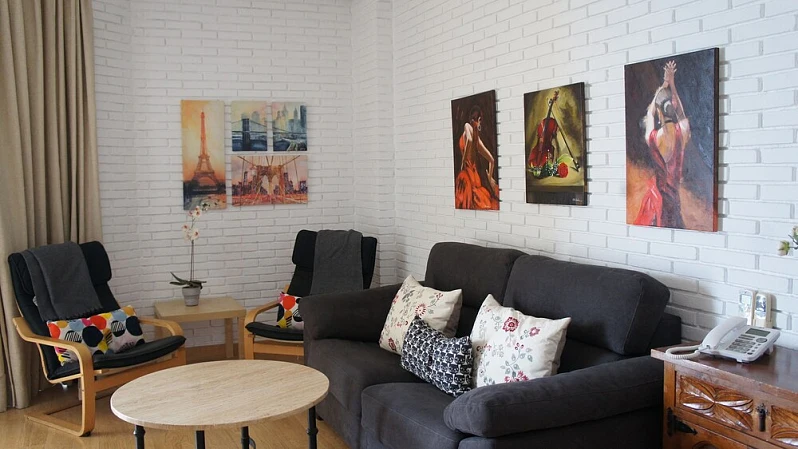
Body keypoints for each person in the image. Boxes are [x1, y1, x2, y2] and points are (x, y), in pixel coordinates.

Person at [634, 60, 692, 228]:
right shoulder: (682, 132)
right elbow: (681, 113)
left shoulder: (652, 138)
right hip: (672, 203)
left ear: (660, 114)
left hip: (654, 201)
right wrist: (672, 84)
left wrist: (663, 86)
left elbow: (650, 113)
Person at [455, 105, 499, 210]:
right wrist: (489, 177)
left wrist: (463, 161)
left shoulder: (467, 127)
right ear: (479, 120)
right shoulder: (477, 140)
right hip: (475, 177)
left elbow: (469, 140)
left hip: (467, 175)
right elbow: (492, 160)